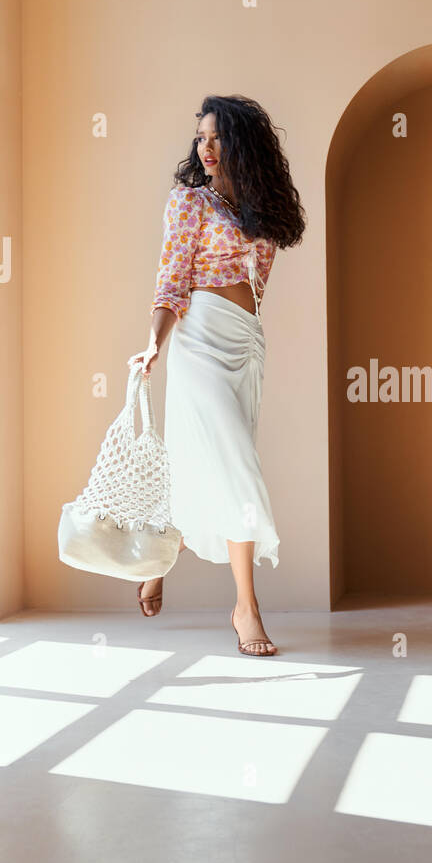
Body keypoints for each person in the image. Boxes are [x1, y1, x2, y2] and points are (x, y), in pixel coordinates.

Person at [128, 94, 305, 656]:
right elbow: (171, 281)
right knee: (236, 467)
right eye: (200, 137)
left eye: (218, 137)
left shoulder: (264, 213)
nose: (206, 147)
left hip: (247, 344)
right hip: (199, 340)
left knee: (219, 465)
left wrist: (248, 335)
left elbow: (260, 291)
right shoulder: (189, 203)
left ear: (242, 144)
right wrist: (153, 345)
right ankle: (246, 608)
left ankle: (166, 548)